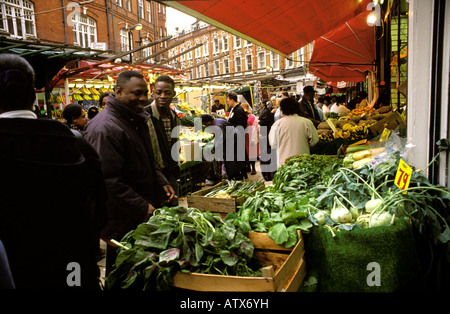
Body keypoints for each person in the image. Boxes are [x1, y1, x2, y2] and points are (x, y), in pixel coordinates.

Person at [0, 53, 106, 289]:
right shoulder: (76, 143)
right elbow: (100, 208)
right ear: (33, 92)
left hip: (18, 275)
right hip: (74, 271)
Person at [84, 70, 175, 275]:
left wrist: (161, 180)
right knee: (123, 273)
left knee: (141, 272)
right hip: (121, 220)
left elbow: (145, 158)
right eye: (136, 93)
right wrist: (143, 208)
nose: (143, 98)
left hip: (137, 216)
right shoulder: (105, 128)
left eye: (145, 93)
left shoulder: (133, 119)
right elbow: (109, 181)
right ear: (118, 91)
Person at [144, 75, 181, 206]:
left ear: (173, 94)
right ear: (153, 93)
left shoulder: (173, 116)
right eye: (159, 92)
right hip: (152, 176)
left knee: (174, 213)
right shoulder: (145, 116)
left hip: (170, 173)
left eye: (167, 92)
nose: (163, 96)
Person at [269, 97, 319, 169]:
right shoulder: (306, 122)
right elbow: (315, 140)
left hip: (283, 165)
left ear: (282, 110)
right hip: (303, 163)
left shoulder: (277, 124)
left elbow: (273, 144)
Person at [201, 114, 231, 179]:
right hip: (228, 139)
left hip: (232, 140)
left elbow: (221, 138)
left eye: (206, 124)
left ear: (209, 121)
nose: (206, 126)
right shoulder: (216, 122)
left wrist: (215, 148)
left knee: (230, 160)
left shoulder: (218, 125)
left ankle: (231, 176)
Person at [225, 92, 247, 179]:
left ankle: (241, 174)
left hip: (237, 136)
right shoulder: (233, 109)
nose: (227, 102)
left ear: (232, 100)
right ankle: (241, 172)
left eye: (228, 101)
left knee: (239, 156)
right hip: (235, 136)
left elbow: (241, 125)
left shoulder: (239, 110)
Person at [258, 100, 276, 181]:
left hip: (266, 132)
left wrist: (260, 122)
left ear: (263, 104)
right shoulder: (267, 111)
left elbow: (264, 121)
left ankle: (269, 175)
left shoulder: (266, 112)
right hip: (266, 132)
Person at [241, 102, 259, 175]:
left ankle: (253, 168)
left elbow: (255, 128)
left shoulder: (252, 117)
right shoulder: (243, 116)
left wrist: (253, 138)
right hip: (245, 137)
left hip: (251, 136)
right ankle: (248, 167)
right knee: (247, 153)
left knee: (252, 153)